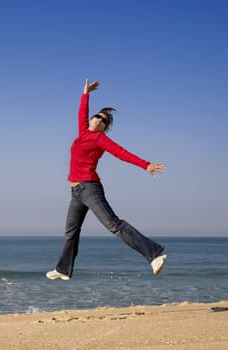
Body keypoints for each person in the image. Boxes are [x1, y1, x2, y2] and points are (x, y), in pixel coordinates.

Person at [46, 79, 167, 281]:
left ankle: (154, 253)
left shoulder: (100, 139)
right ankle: (63, 269)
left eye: (103, 120)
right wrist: (85, 94)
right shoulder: (83, 132)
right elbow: (81, 113)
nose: (98, 120)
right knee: (71, 232)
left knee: (113, 225)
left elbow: (121, 153)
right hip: (76, 192)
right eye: (97, 117)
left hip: (90, 188)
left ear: (104, 127)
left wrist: (145, 164)